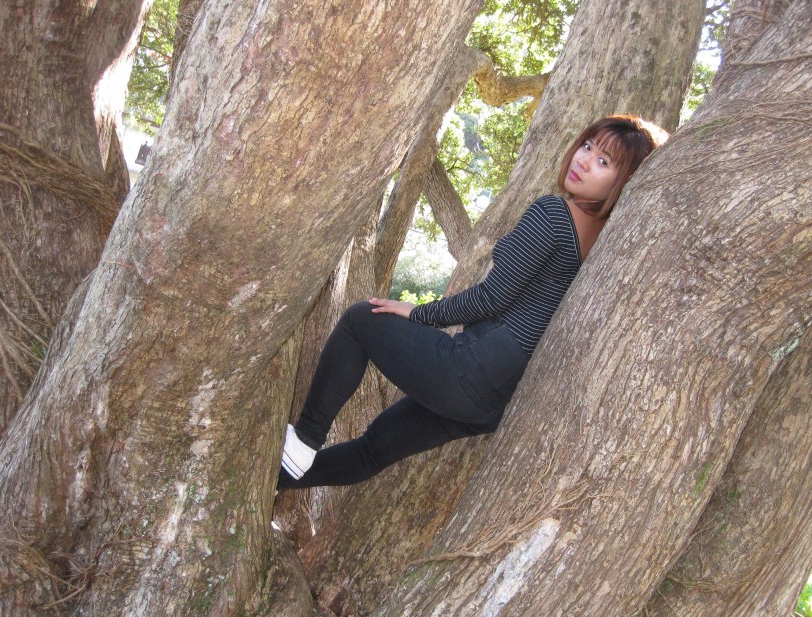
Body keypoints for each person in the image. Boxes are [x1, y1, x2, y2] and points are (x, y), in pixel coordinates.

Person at [278, 114, 668, 489]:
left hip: (474, 370)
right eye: (587, 146)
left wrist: (419, 313)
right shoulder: (602, 244)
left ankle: (307, 437)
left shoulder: (553, 213)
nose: (584, 160)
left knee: (361, 319)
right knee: (371, 451)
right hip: (495, 404)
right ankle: (277, 481)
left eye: (604, 161)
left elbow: (491, 297)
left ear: (623, 181)